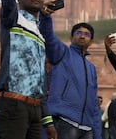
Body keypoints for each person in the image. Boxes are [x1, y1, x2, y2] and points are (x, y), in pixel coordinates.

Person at [0, 0, 57, 139]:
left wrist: (47, 121)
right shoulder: (12, 19)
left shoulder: (38, 34)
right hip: (13, 105)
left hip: (35, 111)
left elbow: (39, 80)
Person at [39, 11, 102, 139]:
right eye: (78, 33)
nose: (82, 36)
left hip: (87, 128)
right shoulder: (62, 54)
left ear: (91, 41)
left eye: (86, 34)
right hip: (64, 121)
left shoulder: (91, 68)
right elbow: (49, 37)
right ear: (71, 37)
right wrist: (45, 17)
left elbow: (93, 102)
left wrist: (97, 133)